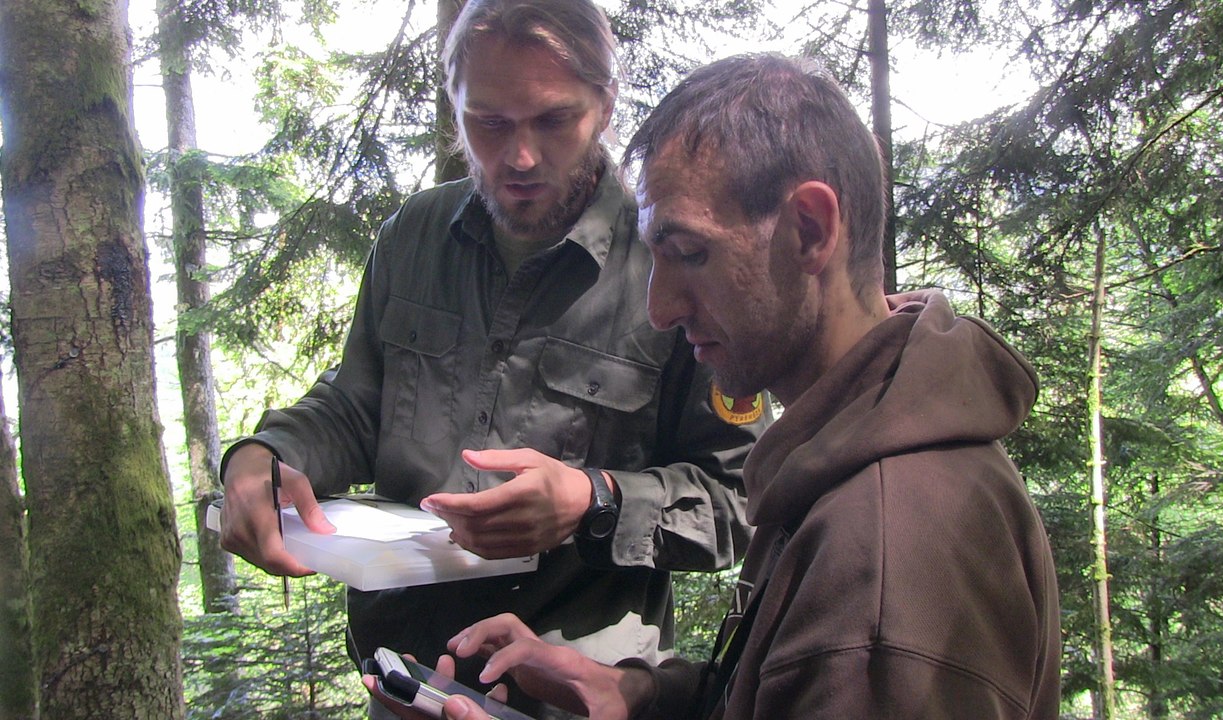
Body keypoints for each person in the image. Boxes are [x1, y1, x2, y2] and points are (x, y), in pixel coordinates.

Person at [379, 53, 1063, 719]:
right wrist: (639, 695)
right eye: (654, 257)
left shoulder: (886, 572)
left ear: (809, 230)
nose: (660, 309)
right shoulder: (843, 450)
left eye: (691, 254)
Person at [216, 1, 768, 717]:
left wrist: (593, 503)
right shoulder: (412, 239)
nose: (521, 157)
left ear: (603, 107)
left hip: (577, 696)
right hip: (404, 684)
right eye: (491, 123)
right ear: (455, 109)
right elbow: (355, 407)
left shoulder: (669, 260)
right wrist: (266, 453)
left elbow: (740, 499)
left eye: (552, 120)